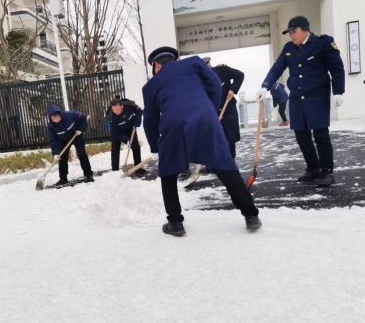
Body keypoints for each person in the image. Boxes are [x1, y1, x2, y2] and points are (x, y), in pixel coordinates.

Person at [142, 46, 261, 236]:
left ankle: (175, 223)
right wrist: (210, 110)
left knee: (168, 173)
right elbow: (214, 83)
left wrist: (155, 146)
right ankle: (251, 215)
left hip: (172, 124)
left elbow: (150, 118)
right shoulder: (194, 62)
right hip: (205, 117)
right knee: (224, 165)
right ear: (173, 59)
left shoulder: (151, 85)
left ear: (156, 65)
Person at [256, 16, 345, 187]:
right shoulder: (289, 48)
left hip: (317, 96)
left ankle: (327, 170)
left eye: (294, 32)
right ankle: (313, 168)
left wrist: (338, 92)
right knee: (301, 134)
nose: (291, 35)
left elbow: (336, 68)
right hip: (297, 97)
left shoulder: (323, 43)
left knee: (320, 134)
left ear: (305, 29)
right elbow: (277, 68)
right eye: (289, 33)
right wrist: (265, 86)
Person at [202, 57, 244, 159]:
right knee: (213, 138)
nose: (209, 66)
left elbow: (240, 75)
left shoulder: (223, 70)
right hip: (213, 112)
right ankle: (213, 165)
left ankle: (231, 161)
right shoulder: (200, 80)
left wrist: (232, 89)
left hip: (228, 109)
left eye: (209, 64)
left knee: (230, 137)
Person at [47, 104, 94, 185]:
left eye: (57, 116)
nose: (55, 118)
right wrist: (55, 153)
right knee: (61, 158)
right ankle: (63, 178)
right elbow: (54, 141)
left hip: (76, 135)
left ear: (60, 114)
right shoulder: (51, 126)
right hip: (63, 140)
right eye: (53, 117)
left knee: (82, 154)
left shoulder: (70, 115)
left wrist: (81, 129)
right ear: (50, 118)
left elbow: (83, 117)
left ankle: (88, 174)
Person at [105, 96, 146, 174]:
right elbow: (115, 132)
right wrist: (127, 140)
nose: (115, 111)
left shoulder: (129, 106)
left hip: (131, 129)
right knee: (115, 149)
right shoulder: (110, 117)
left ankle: (138, 168)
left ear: (122, 106)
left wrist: (137, 123)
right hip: (118, 131)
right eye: (113, 109)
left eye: (117, 109)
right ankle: (115, 171)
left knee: (136, 147)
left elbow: (139, 112)